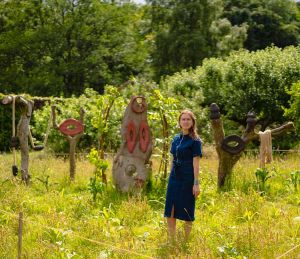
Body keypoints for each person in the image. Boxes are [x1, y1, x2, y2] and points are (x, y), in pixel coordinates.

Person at [164, 109, 202, 240]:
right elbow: (173, 159)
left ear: (192, 122)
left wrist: (196, 183)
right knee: (170, 208)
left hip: (188, 178)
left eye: (188, 119)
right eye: (183, 119)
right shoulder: (176, 139)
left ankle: (186, 239)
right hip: (174, 177)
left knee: (187, 208)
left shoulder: (195, 140)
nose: (185, 122)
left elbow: (196, 163)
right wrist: (170, 176)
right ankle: (171, 239)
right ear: (179, 122)